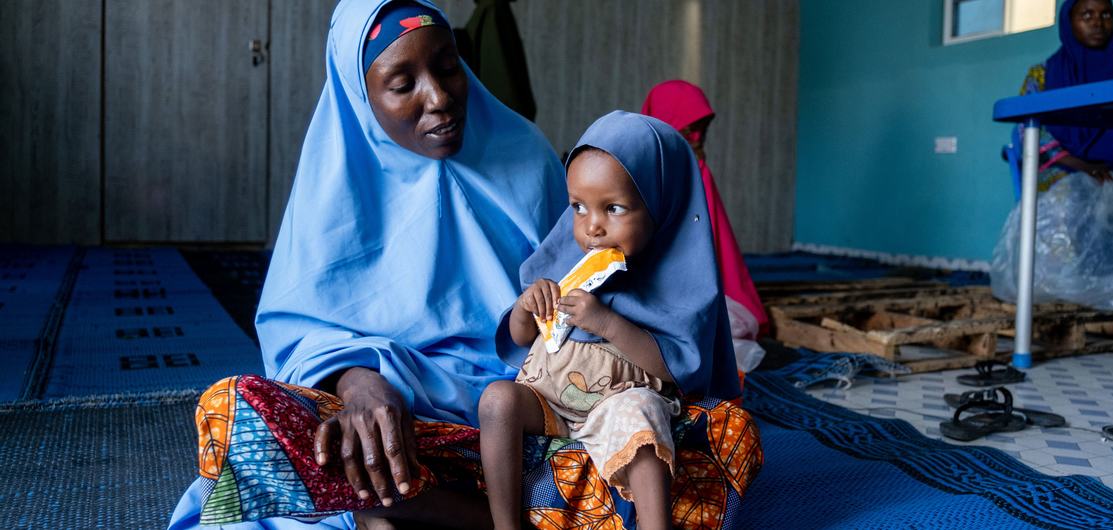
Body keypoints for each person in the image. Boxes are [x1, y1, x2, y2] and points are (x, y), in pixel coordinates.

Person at [167, 1, 566, 528]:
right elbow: (300, 333)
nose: (440, 97)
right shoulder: (332, 190)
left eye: (448, 68)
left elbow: (582, 296)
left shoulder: (528, 158)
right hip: (386, 423)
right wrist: (357, 381)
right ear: (361, 95)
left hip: (513, 417)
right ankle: (456, 511)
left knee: (647, 437)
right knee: (234, 405)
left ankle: (417, 510)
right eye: (403, 84)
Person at [478, 111, 740, 530]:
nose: (592, 227)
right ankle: (504, 524)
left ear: (662, 205)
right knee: (496, 400)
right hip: (548, 399)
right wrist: (527, 307)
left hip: (616, 400)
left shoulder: (677, 281)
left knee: (640, 420)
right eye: (578, 207)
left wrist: (606, 323)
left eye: (613, 208)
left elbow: (677, 364)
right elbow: (522, 338)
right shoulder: (566, 260)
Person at [642, 80, 769, 369]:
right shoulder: (645, 166)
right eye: (688, 128)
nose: (696, 138)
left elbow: (712, 243)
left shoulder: (696, 169)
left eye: (698, 129)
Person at [1018, 0, 1113, 205]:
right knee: (1075, 196)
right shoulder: (1042, 74)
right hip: (1063, 167)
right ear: (1068, 22)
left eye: (1106, 15)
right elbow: (1029, 132)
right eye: (1086, 15)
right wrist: (1081, 165)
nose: (1098, 23)